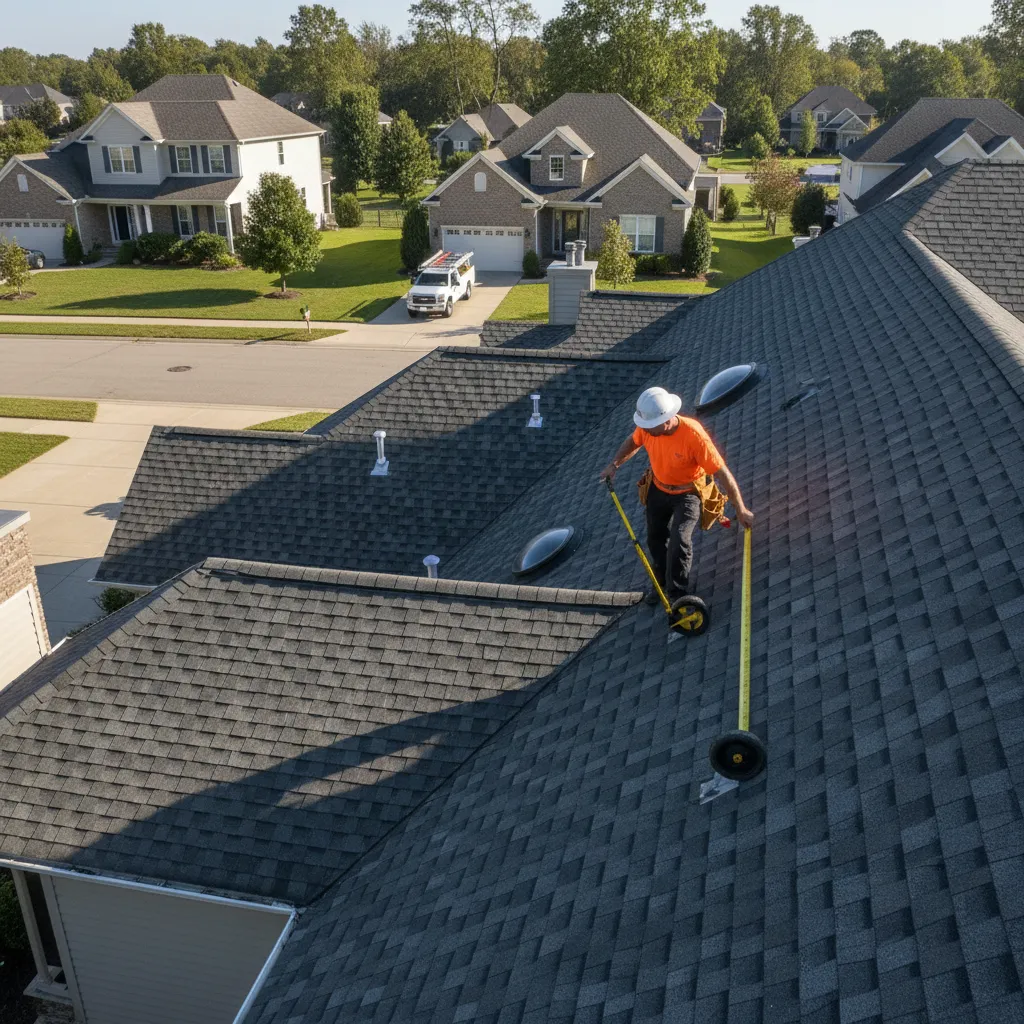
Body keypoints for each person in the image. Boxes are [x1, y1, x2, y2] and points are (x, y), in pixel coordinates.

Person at [599, 387, 754, 604]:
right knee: (655, 538)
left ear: (666, 419)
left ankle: (678, 593)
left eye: (650, 427)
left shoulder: (693, 436)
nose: (645, 430)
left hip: (687, 494)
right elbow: (633, 441)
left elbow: (722, 473)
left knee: (680, 539)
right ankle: (662, 580)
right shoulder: (649, 427)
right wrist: (614, 464)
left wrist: (741, 508)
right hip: (658, 488)